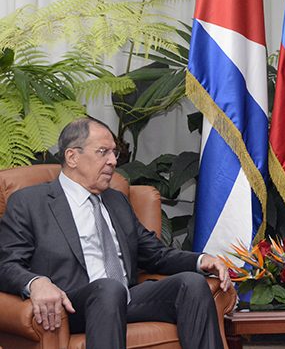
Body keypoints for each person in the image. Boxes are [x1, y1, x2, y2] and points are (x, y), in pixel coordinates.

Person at [0, 117, 231, 349]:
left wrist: (202, 261)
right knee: (108, 288)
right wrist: (35, 282)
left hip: (126, 298)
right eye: (103, 152)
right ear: (72, 157)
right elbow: (6, 263)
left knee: (191, 284)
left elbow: (155, 254)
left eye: (114, 153)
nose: (112, 161)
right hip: (73, 306)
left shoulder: (116, 200)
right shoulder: (30, 202)